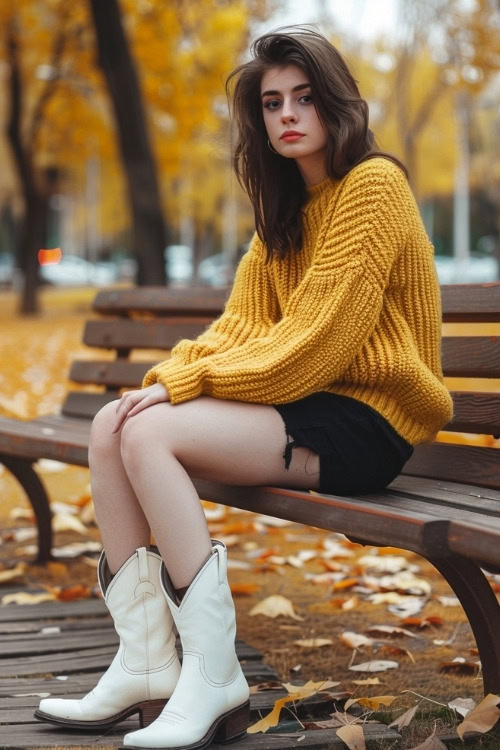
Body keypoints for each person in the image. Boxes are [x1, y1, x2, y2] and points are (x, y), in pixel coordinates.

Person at [35, 24, 454, 750]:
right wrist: (168, 376)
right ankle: (144, 661)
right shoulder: (282, 216)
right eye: (271, 103)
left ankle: (214, 669)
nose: (287, 114)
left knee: (151, 430)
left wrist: (183, 385)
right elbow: (238, 330)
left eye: (304, 98)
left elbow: (316, 345)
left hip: (367, 418)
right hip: (306, 403)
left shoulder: (373, 187)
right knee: (114, 424)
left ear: (336, 106)